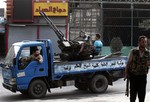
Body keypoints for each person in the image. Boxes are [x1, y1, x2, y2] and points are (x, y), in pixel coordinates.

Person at [125, 35, 150, 102]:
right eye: (142, 42)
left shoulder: (148, 53)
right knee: (133, 96)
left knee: (142, 96)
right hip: (133, 76)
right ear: (139, 42)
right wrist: (126, 73)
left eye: (145, 42)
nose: (144, 43)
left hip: (142, 76)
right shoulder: (133, 51)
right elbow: (128, 63)